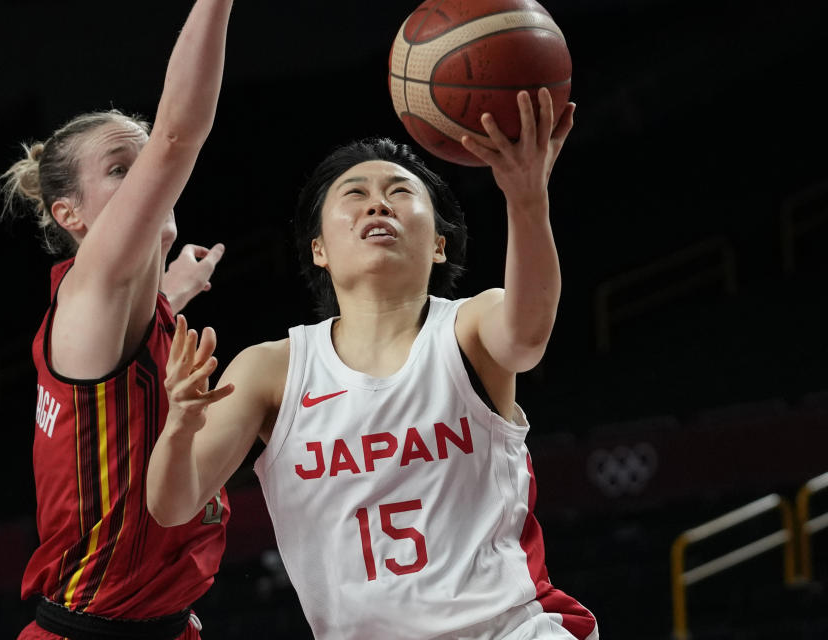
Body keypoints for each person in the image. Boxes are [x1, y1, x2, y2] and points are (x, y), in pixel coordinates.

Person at [148, 88, 599, 639]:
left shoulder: (470, 326)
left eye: (399, 192)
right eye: (354, 193)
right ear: (319, 249)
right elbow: (172, 507)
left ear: (439, 244)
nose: (377, 204)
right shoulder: (272, 369)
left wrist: (527, 199)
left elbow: (528, 338)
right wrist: (177, 425)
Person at [0, 2, 234, 638]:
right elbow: (180, 133)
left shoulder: (121, 313)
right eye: (121, 171)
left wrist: (175, 287)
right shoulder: (91, 289)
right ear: (70, 216)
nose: (147, 184)